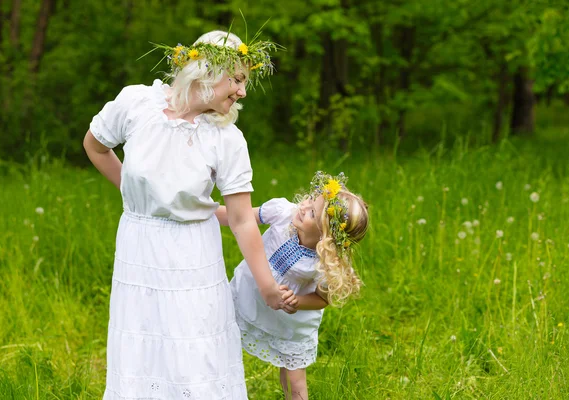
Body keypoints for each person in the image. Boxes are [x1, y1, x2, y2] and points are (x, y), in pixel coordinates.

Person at [83, 30, 286, 399]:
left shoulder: (226, 138)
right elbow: (95, 146)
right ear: (208, 70)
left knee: (194, 350)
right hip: (139, 246)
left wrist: (267, 286)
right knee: (143, 346)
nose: (242, 92)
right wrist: (137, 196)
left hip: (194, 253)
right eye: (238, 79)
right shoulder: (136, 104)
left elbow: (241, 221)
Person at [215, 171, 369, 400]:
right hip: (246, 296)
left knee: (293, 379)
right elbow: (238, 217)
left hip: (290, 324)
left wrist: (297, 302)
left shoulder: (324, 262)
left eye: (312, 213)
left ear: (325, 236)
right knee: (219, 342)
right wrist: (203, 210)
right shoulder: (282, 213)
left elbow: (322, 298)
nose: (304, 207)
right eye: (310, 199)